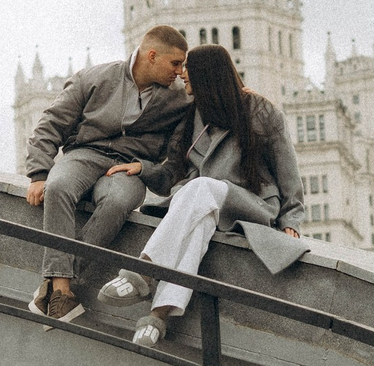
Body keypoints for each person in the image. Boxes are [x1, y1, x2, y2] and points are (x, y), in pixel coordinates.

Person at [96, 45, 302, 346]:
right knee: (199, 223)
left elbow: (288, 170)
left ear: (208, 74)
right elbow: (172, 174)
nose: (182, 75)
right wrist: (143, 169)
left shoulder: (260, 110)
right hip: (201, 204)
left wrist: (291, 219)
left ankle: (143, 270)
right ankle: (158, 317)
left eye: (188, 69)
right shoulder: (190, 116)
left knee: (202, 187)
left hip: (248, 203)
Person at [20, 26, 193, 320]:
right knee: (57, 186)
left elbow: (176, 164)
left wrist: (144, 168)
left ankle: (56, 285)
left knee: (116, 202)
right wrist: (38, 174)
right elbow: (50, 124)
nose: (180, 72)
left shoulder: (180, 100)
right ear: (152, 56)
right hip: (84, 153)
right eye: (175, 63)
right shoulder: (94, 78)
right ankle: (62, 290)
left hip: (130, 168)